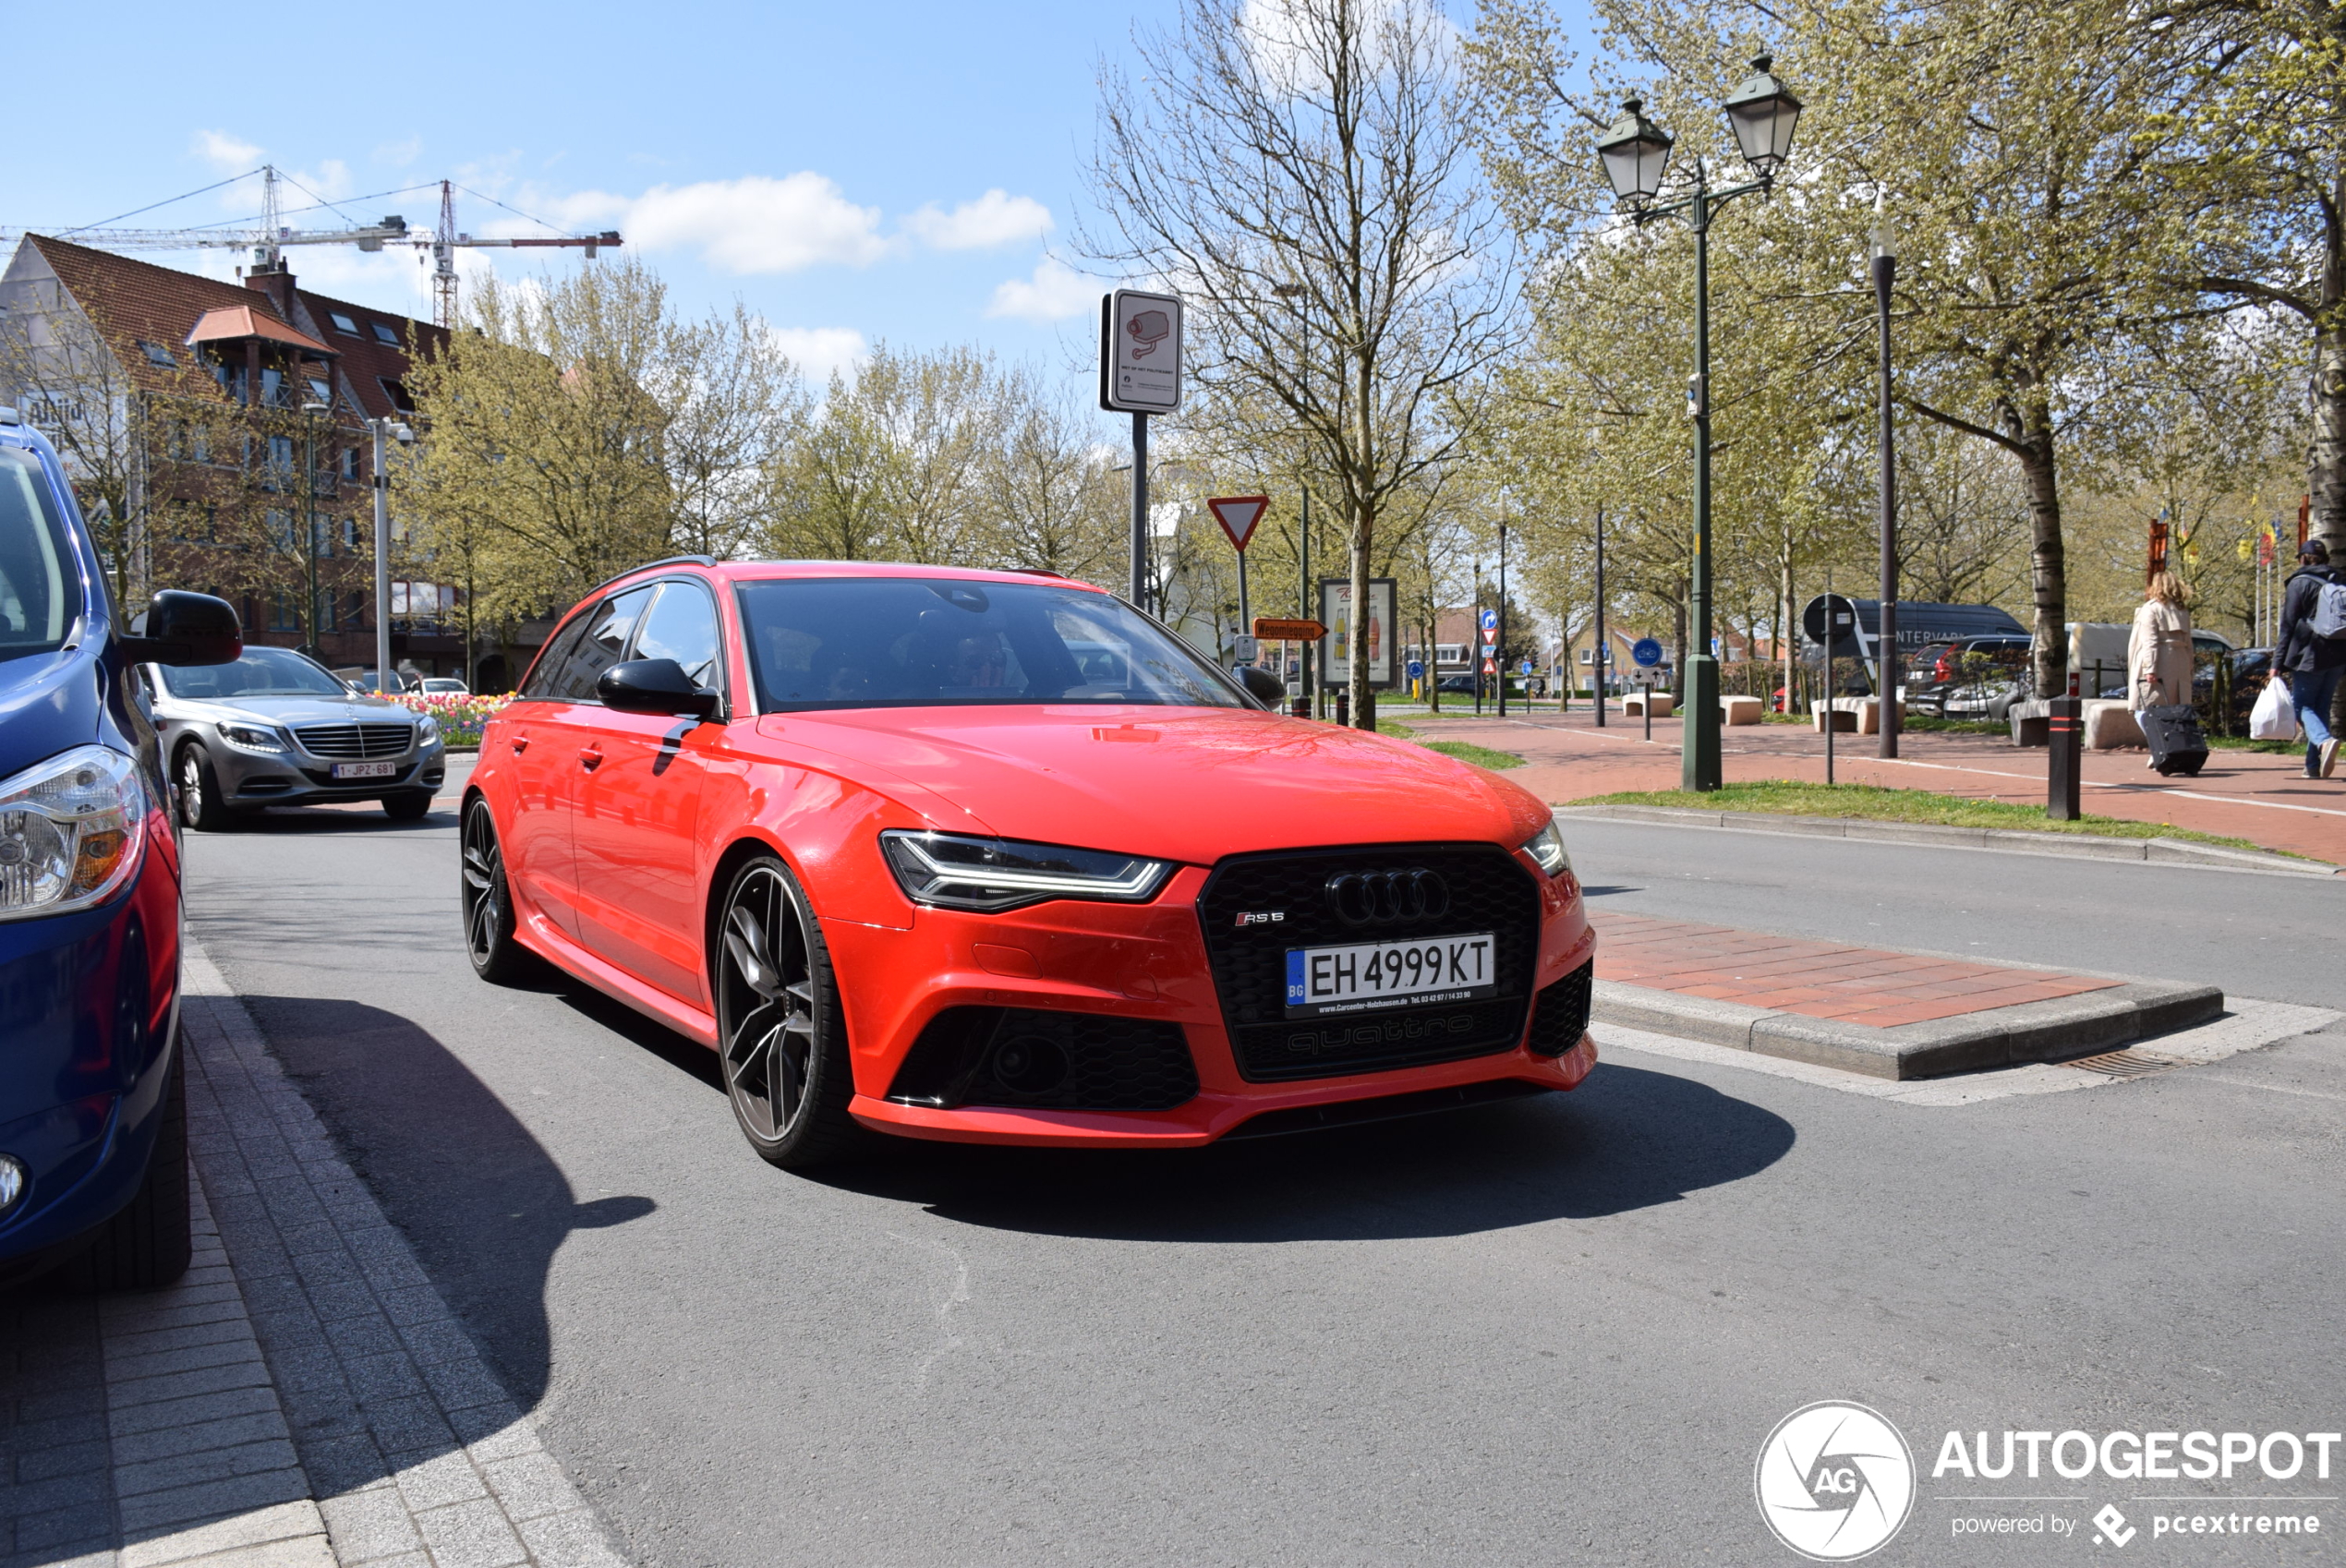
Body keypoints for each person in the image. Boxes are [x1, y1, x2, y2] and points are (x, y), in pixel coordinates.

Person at [2272, 538, 2346, 778]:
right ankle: (2313, 766)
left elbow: (2288, 626)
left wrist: (2276, 663)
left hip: (2309, 654)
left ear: (2302, 559)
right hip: (2338, 653)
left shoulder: (2299, 583)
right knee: (2321, 707)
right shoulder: (2340, 579)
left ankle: (2324, 742)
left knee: (2301, 705)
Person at [2128, 570, 2195, 768]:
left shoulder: (2151, 609)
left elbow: (2150, 641)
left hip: (2158, 663)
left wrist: (2150, 668)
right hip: (2180, 662)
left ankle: (2160, 746)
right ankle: (2171, 748)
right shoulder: (2182, 611)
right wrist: (2190, 668)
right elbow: (2189, 643)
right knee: (2174, 710)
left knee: (2141, 708)